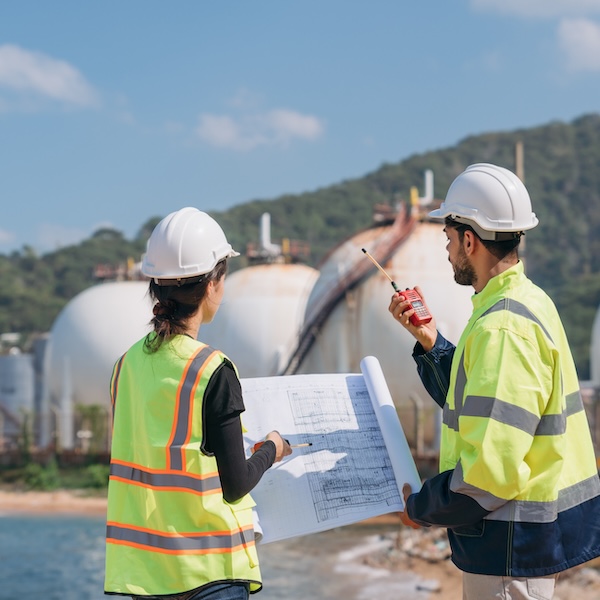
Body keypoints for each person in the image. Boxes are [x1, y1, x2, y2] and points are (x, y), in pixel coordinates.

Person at [388, 163, 600, 599]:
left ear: (469, 239)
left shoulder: (501, 327)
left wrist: (419, 508)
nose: (447, 252)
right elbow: (477, 407)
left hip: (509, 549)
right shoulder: (524, 303)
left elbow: (491, 474)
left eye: (448, 240)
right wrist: (430, 343)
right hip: (520, 544)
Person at [104, 207, 292, 599]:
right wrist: (271, 449)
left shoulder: (125, 368)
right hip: (210, 572)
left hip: (145, 573)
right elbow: (236, 483)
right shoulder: (212, 369)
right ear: (214, 284)